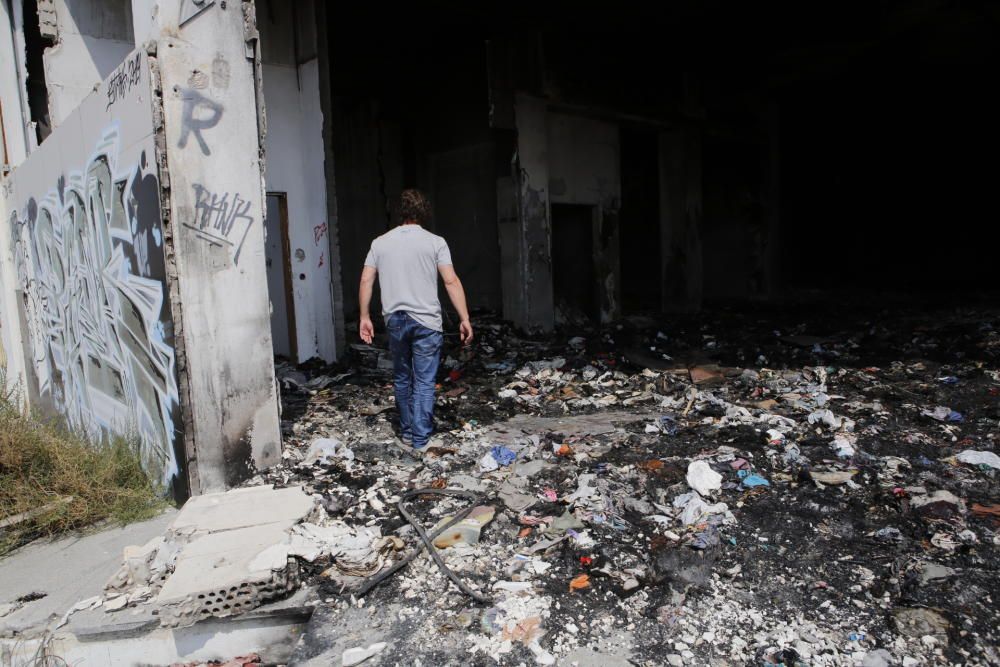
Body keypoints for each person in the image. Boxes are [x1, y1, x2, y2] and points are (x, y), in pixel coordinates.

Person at [358, 189, 473, 451]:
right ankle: (420, 438)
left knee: (401, 377)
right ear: (424, 213)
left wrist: (365, 316)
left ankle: (408, 432)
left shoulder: (380, 242)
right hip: (426, 322)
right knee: (423, 380)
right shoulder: (435, 242)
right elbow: (450, 280)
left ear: (401, 213)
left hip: (395, 320)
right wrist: (464, 318)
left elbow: (366, 279)